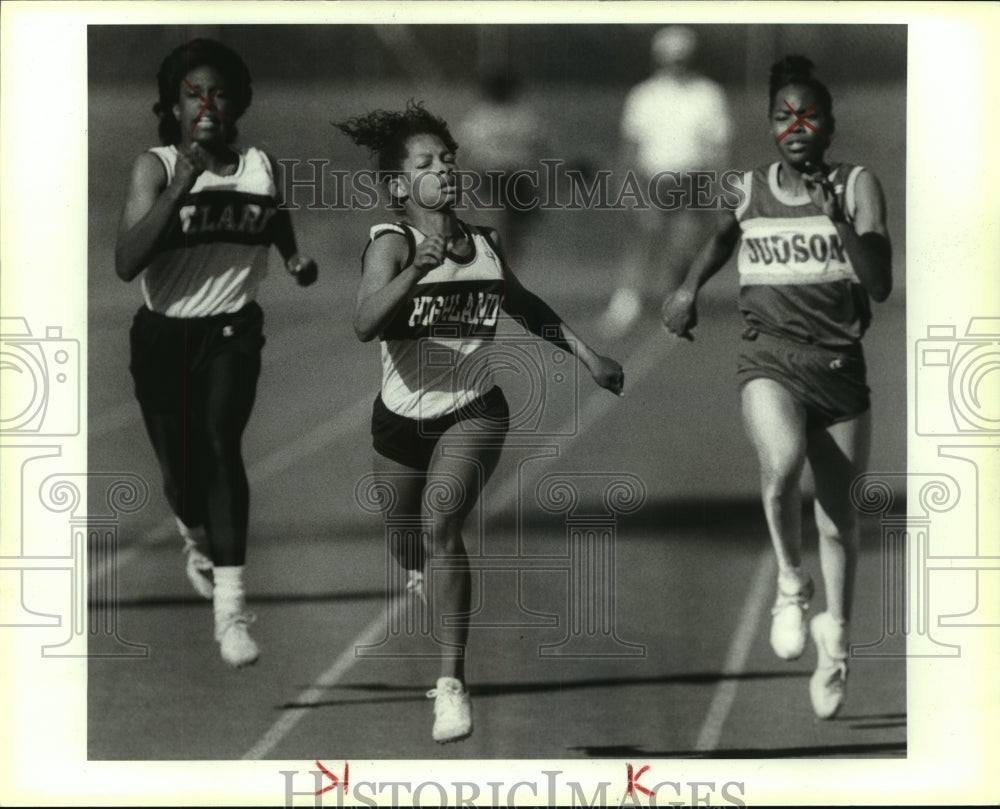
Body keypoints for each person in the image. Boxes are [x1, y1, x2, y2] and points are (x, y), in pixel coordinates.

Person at [336, 101, 624, 743]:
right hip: (400, 420)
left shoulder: (486, 244)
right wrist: (417, 270)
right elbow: (363, 324)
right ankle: (422, 574)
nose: (445, 169)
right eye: (427, 162)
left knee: (442, 524)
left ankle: (450, 684)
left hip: (475, 411)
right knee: (405, 538)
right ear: (397, 185)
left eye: (449, 159)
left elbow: (524, 305)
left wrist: (587, 356)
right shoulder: (392, 244)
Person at [661, 55, 892, 719]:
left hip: (840, 366)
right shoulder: (750, 185)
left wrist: (837, 219)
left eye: (808, 114)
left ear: (828, 124)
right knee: (782, 465)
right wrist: (687, 289)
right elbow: (721, 238)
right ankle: (792, 584)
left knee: (840, 520)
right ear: (769, 126)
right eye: (782, 115)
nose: (795, 125)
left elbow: (877, 283)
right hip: (771, 357)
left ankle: (837, 646)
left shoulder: (856, 185)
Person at [115, 38, 318, 668]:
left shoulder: (260, 163)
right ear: (173, 106)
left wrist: (291, 256)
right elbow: (126, 262)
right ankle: (194, 538)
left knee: (219, 444)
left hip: (233, 328)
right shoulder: (154, 166)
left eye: (220, 93)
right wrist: (180, 187)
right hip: (163, 335)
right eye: (193, 93)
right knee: (181, 480)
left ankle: (230, 611)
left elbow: (274, 214)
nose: (207, 104)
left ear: (238, 104)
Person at [602, 25, 732, 338]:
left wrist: (721, 189)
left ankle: (675, 304)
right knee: (642, 241)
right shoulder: (644, 96)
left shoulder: (708, 94)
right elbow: (630, 147)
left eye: (681, 58)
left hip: (693, 179)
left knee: (683, 246)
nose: (676, 64)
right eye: (670, 58)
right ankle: (626, 304)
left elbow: (718, 147)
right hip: (651, 179)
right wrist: (628, 189)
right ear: (659, 59)